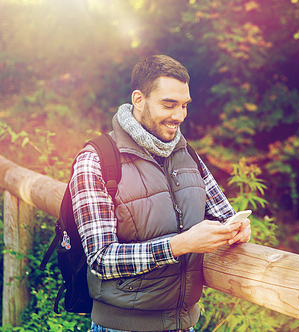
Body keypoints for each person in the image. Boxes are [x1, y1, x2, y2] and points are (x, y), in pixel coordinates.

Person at [70, 55, 251, 332]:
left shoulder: (187, 154)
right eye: (168, 105)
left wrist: (237, 229)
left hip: (185, 324)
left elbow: (224, 215)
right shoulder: (95, 160)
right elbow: (101, 259)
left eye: (184, 106)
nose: (179, 116)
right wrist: (180, 244)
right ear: (139, 100)